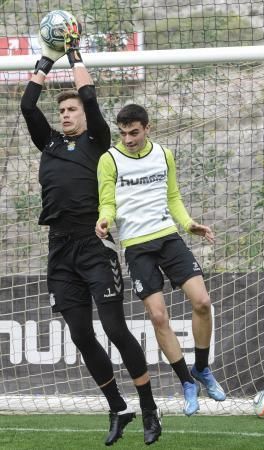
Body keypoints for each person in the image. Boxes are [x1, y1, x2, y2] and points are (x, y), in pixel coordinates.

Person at [20, 20, 161, 446]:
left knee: (115, 329)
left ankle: (151, 409)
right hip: (59, 247)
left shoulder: (98, 141)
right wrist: (48, 57)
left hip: (94, 243)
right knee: (80, 334)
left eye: (70, 110)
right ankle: (119, 408)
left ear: (83, 116)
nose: (65, 114)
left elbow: (91, 96)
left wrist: (74, 53)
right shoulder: (47, 144)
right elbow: (28, 106)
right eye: (61, 110)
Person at [96, 103, 226, 417]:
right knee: (158, 317)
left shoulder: (164, 155)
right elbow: (108, 200)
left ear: (147, 128)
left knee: (203, 302)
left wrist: (188, 224)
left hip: (168, 236)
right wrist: (104, 219)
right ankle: (186, 382)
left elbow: (172, 196)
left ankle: (202, 369)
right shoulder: (109, 160)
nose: (127, 139)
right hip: (137, 247)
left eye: (134, 132)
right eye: (123, 133)